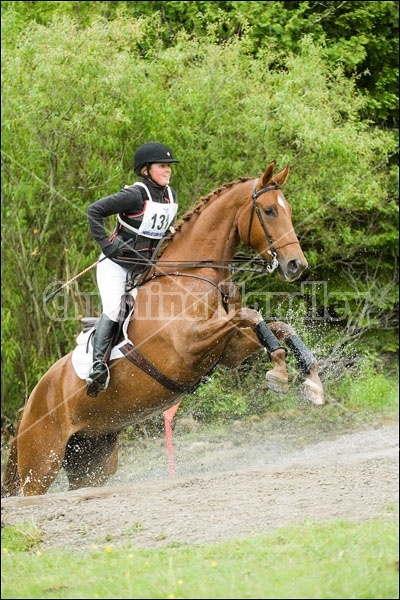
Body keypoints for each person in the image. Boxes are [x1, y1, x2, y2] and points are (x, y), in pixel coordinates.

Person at [85, 142, 179, 397]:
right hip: (116, 266)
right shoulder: (135, 195)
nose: (168, 170)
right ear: (146, 170)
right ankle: (97, 367)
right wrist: (106, 246)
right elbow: (94, 211)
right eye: (162, 166)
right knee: (115, 308)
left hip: (144, 269)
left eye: (169, 166)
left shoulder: (170, 195)